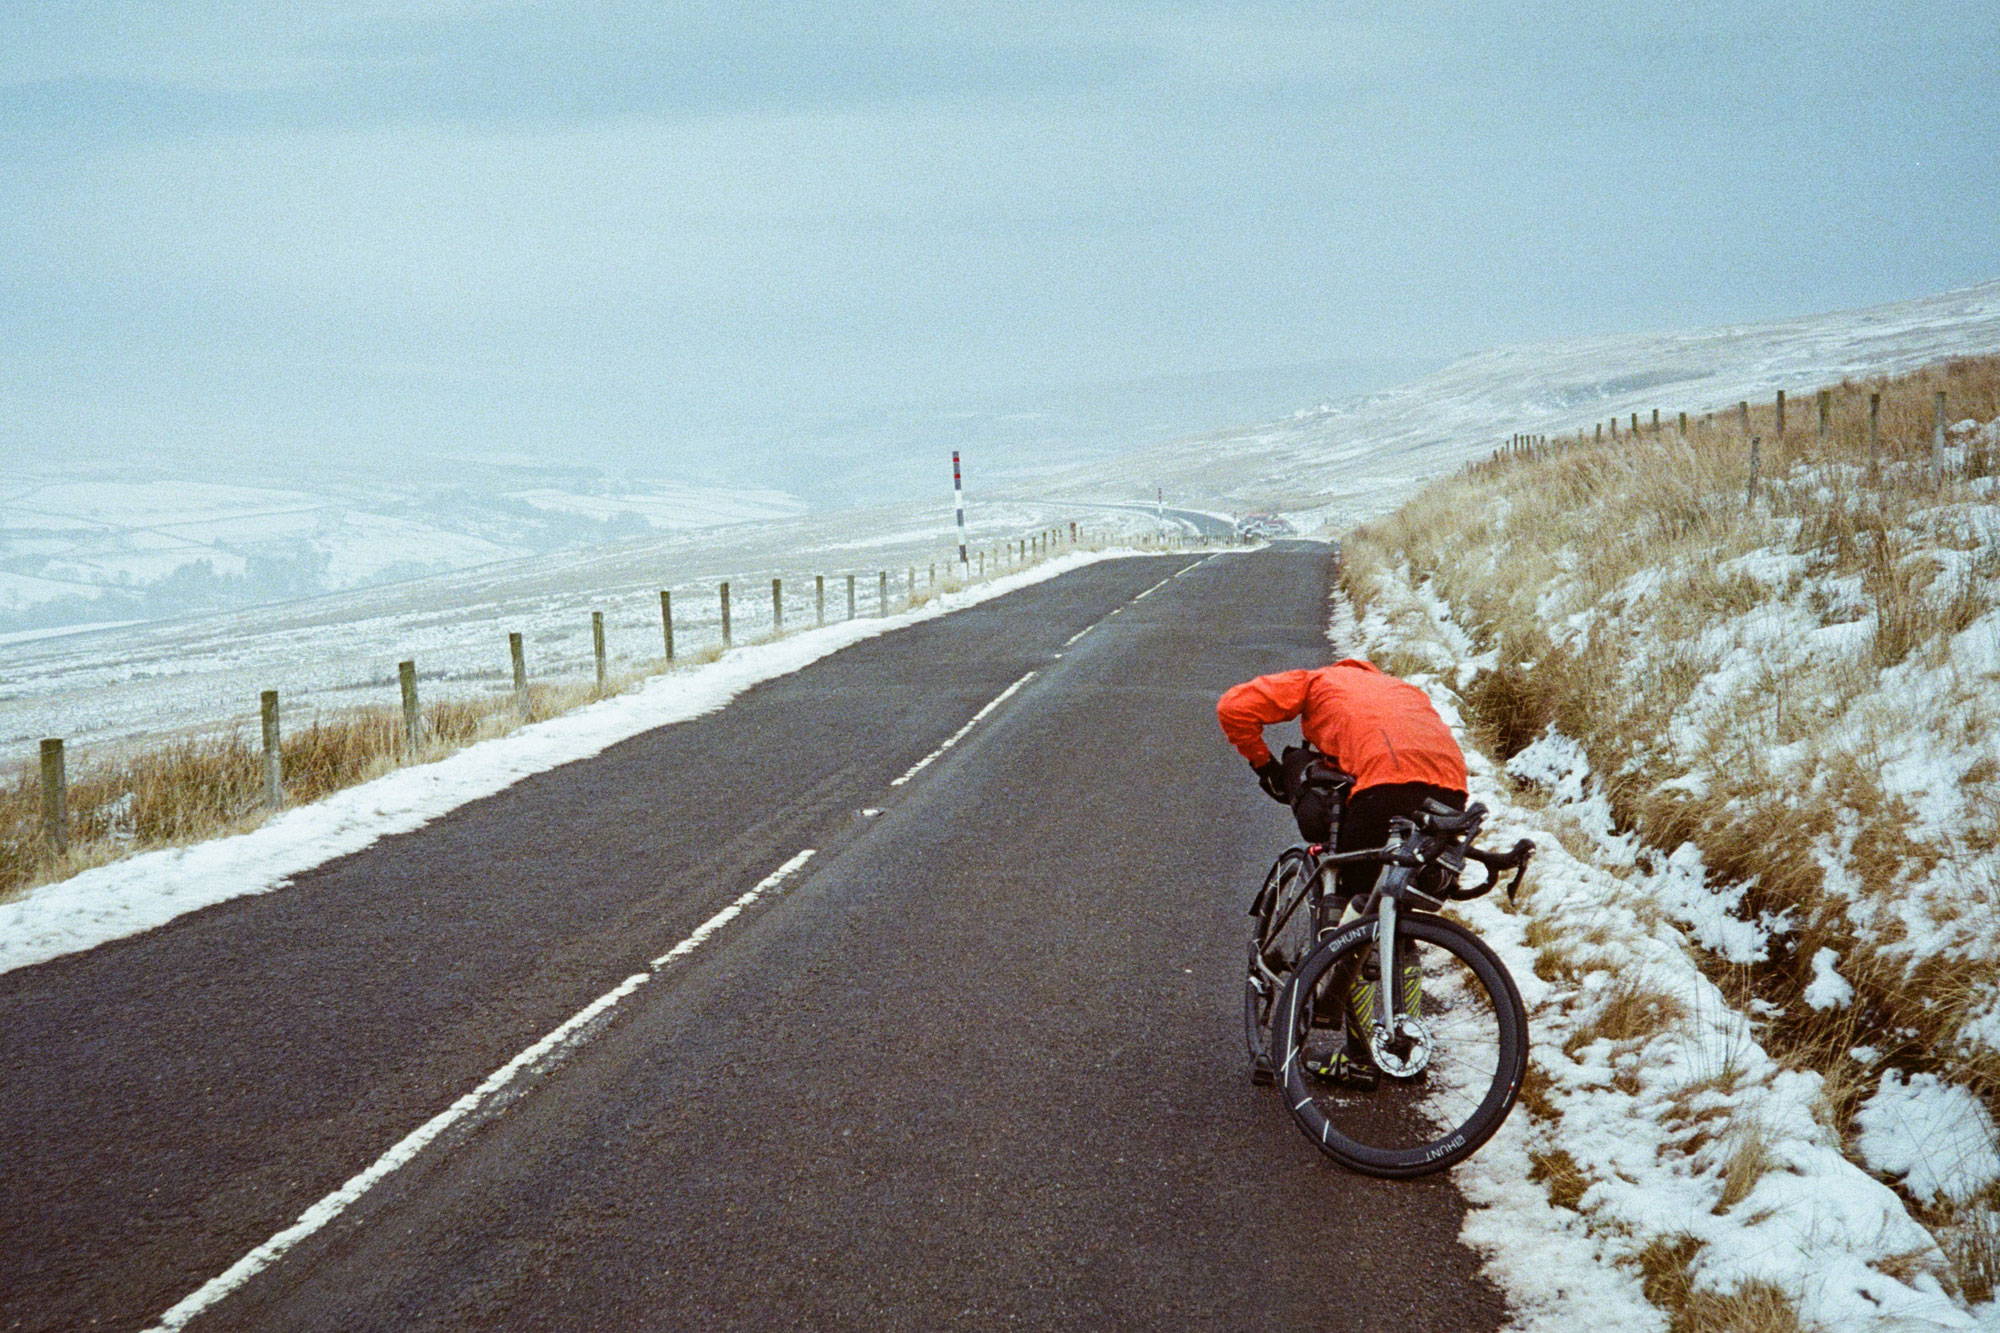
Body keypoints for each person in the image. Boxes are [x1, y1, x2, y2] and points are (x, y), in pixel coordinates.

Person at [1216, 658, 1468, 904]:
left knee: (1356, 888)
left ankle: (1344, 929)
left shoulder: (1317, 680)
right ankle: (1399, 939)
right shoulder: (1406, 690)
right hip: (1451, 791)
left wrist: (1265, 766)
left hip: (1383, 787)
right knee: (1408, 883)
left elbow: (1233, 707)